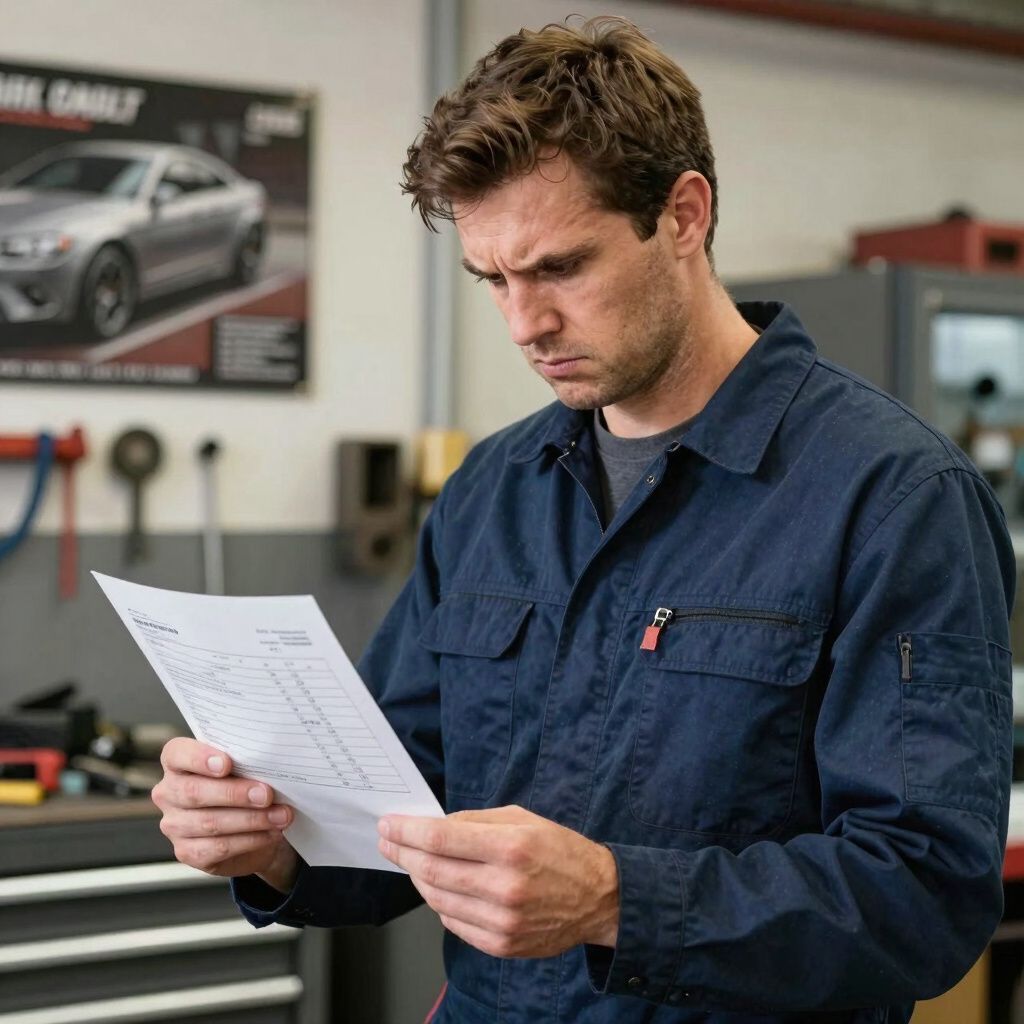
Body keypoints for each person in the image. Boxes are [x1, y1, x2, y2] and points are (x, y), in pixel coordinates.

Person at [152, 16, 1016, 1023]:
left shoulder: (891, 497)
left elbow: (926, 895)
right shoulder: (491, 492)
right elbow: (398, 819)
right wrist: (269, 840)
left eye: (559, 267)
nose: (525, 324)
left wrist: (615, 900)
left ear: (683, 216)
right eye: (494, 281)